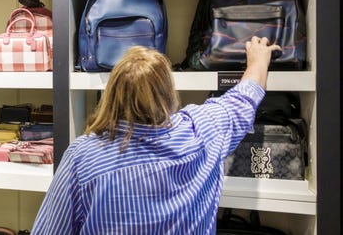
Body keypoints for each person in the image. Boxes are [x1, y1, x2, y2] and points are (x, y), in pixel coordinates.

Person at [31, 36, 281, 234]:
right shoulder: (204, 130)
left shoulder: (84, 157)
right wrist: (259, 60)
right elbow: (245, 96)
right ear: (169, 91)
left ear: (112, 93)